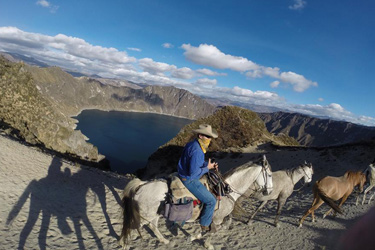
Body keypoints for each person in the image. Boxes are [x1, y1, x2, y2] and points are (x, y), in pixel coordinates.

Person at [177, 124, 219, 233]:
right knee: (211, 201)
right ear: (200, 135)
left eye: (210, 137)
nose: (210, 139)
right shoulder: (198, 151)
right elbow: (193, 174)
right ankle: (205, 224)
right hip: (188, 179)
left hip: (182, 172)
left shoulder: (193, 144)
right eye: (207, 136)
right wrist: (207, 168)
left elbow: (194, 163)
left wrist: (208, 165)